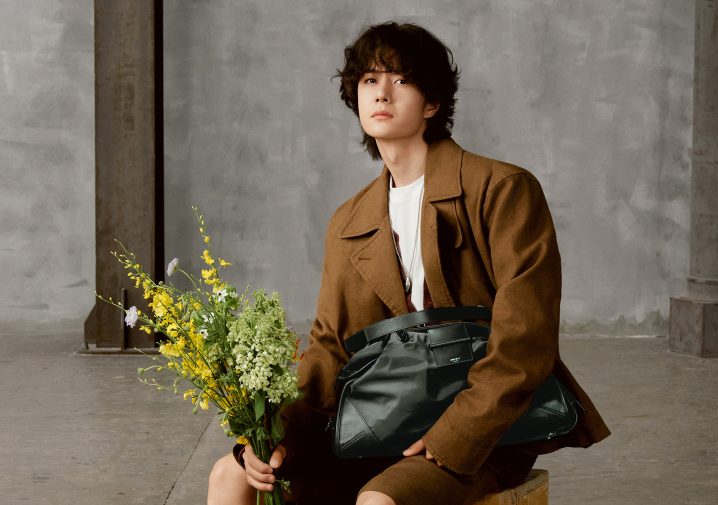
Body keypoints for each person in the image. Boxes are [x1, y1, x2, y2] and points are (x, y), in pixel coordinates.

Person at [208, 21, 610, 505]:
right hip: (380, 425)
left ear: (432, 103)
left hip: (481, 433)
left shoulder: (502, 190)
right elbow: (329, 351)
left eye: (400, 80)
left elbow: (525, 341)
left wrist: (454, 436)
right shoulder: (349, 219)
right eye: (369, 80)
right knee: (230, 474)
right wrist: (276, 435)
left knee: (379, 500)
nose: (382, 92)